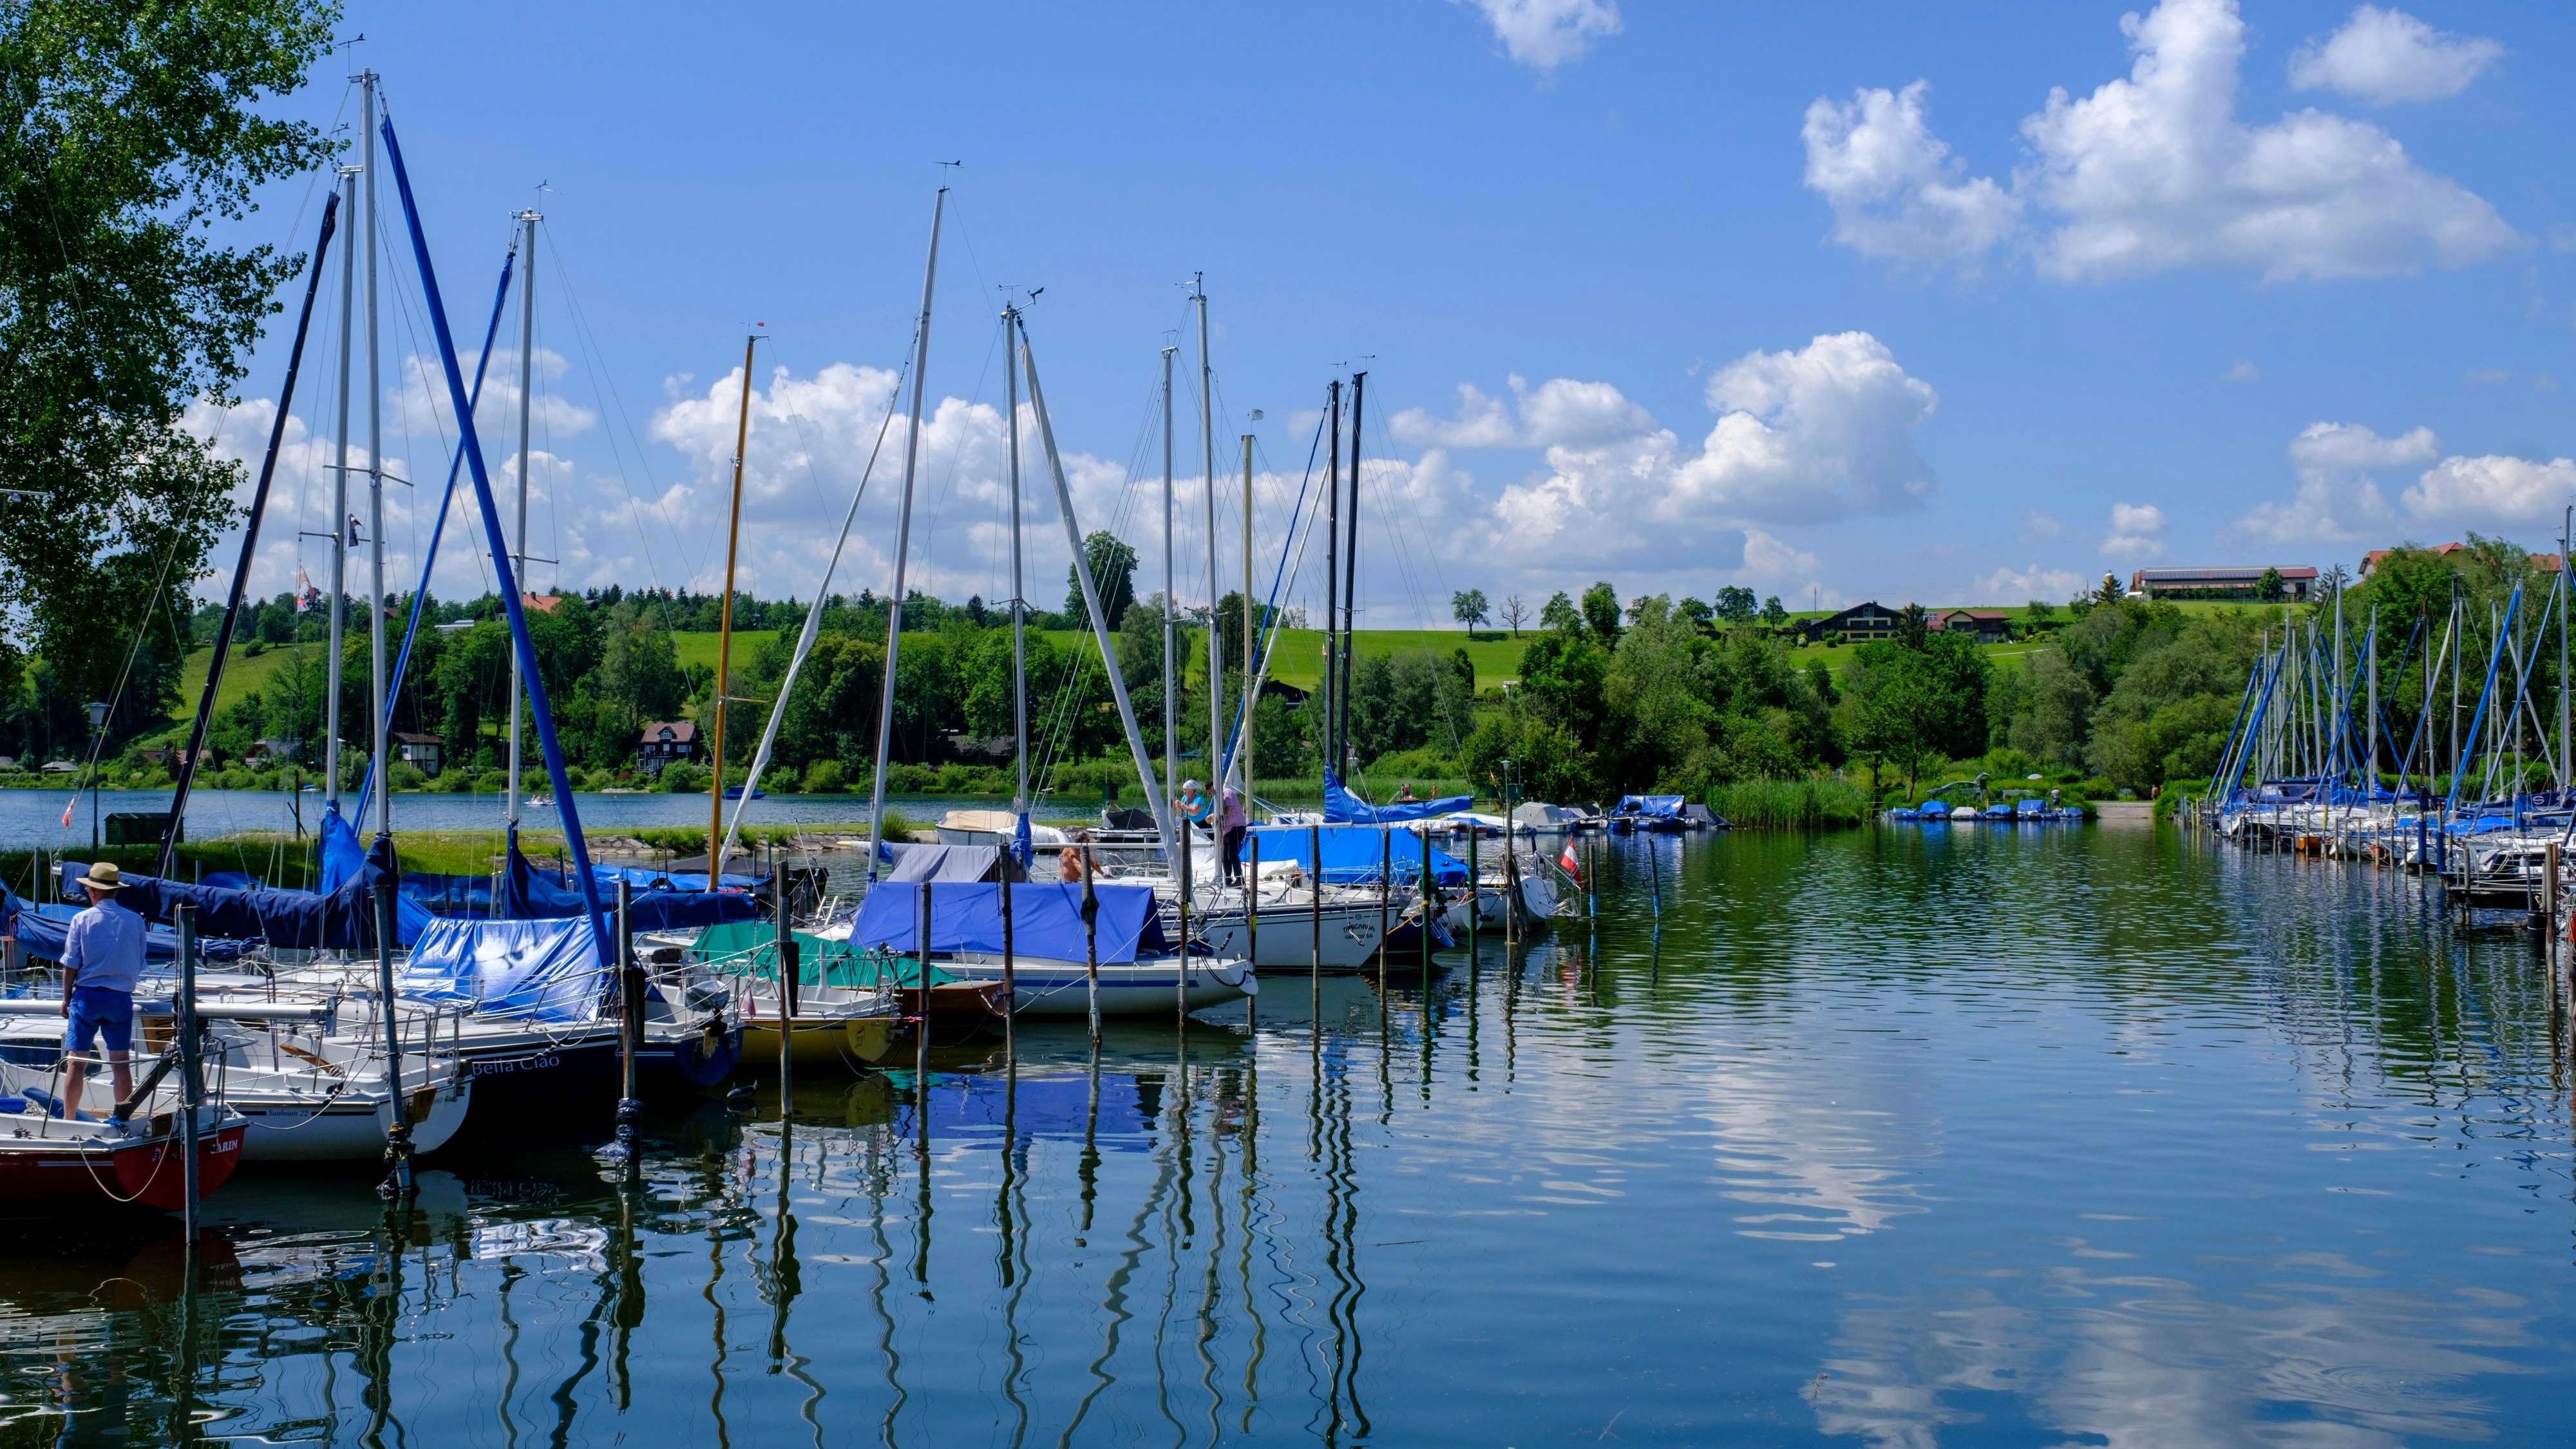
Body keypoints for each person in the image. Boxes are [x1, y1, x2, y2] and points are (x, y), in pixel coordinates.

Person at [60, 862, 144, 1121]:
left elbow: (71, 963)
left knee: (77, 1062)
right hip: (120, 998)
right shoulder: (136, 921)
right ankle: (122, 1119)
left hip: (87, 996)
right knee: (120, 1063)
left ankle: (69, 1118)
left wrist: (66, 999)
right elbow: (140, 960)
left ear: (93, 891)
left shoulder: (82, 919)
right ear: (115, 891)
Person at [1217, 781, 1249, 885]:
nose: (1211, 794)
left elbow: (1228, 810)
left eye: (1211, 791)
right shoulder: (1218, 798)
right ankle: (1227, 878)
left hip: (1237, 827)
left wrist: (1216, 817)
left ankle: (1239, 879)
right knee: (1224, 856)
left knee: (1232, 854)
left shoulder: (1227, 793)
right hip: (1227, 829)